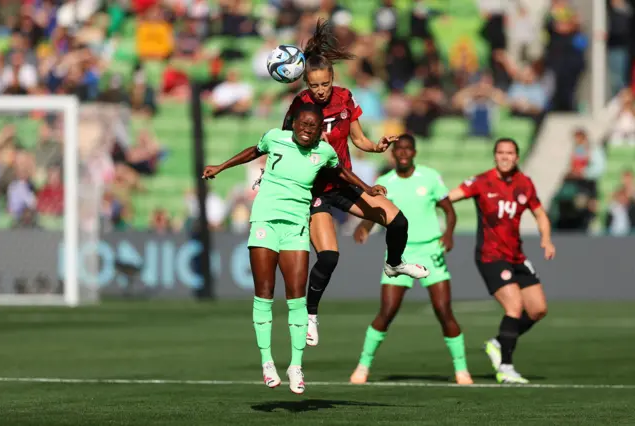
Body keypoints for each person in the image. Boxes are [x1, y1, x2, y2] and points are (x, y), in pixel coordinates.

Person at [202, 104, 386, 395]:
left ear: (318, 131)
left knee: (296, 296)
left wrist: (368, 189)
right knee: (263, 292)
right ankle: (267, 362)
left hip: (296, 227)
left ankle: (296, 366)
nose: (307, 129)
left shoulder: (324, 152)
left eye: (313, 127)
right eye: (303, 124)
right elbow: (253, 151)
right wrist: (221, 167)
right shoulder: (275, 137)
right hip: (265, 221)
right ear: (295, 123)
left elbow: (342, 175)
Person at [283, 20, 429, 347]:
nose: (320, 90)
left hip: (344, 184)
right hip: (314, 190)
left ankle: (394, 265)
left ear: (332, 79)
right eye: (314, 85)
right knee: (330, 257)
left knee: (398, 221)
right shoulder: (300, 106)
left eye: (325, 83)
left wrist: (376, 146)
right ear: (306, 82)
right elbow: (285, 144)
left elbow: (358, 139)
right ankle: (310, 315)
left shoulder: (345, 98)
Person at [349, 134, 474, 385]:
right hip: (398, 253)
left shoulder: (429, 177)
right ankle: (363, 366)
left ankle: (462, 370)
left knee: (443, 310)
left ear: (414, 152)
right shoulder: (385, 182)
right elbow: (375, 212)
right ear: (393, 154)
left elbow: (449, 210)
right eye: (399, 149)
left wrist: (448, 233)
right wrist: (364, 226)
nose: (403, 153)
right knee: (387, 311)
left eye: (408, 149)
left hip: (430, 250)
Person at [448, 138, 555, 384]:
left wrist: (546, 239)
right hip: (491, 256)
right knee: (514, 307)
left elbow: (540, 214)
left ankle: (498, 342)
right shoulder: (481, 181)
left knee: (538, 309)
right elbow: (449, 197)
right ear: (495, 156)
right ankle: (506, 367)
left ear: (517, 157)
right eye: (501, 152)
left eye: (510, 153)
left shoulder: (524, 183)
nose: (505, 157)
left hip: (516, 256)